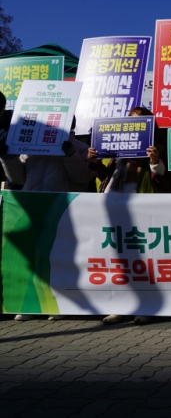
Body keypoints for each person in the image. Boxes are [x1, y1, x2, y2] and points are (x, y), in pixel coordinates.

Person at [1, 116, 94, 321]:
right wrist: (8, 157)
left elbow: (82, 178)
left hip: (61, 206)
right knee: (32, 255)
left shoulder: (80, 148)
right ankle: (31, 305)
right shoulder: (29, 144)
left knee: (59, 255)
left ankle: (59, 304)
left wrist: (69, 154)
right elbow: (18, 178)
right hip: (32, 205)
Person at [87, 107, 171, 325]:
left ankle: (147, 307)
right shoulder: (116, 151)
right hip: (115, 210)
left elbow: (165, 182)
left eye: (142, 121)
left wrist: (155, 162)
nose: (136, 125)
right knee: (119, 260)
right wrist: (95, 162)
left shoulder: (159, 150)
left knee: (146, 261)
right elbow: (104, 176)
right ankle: (120, 306)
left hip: (143, 212)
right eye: (132, 121)